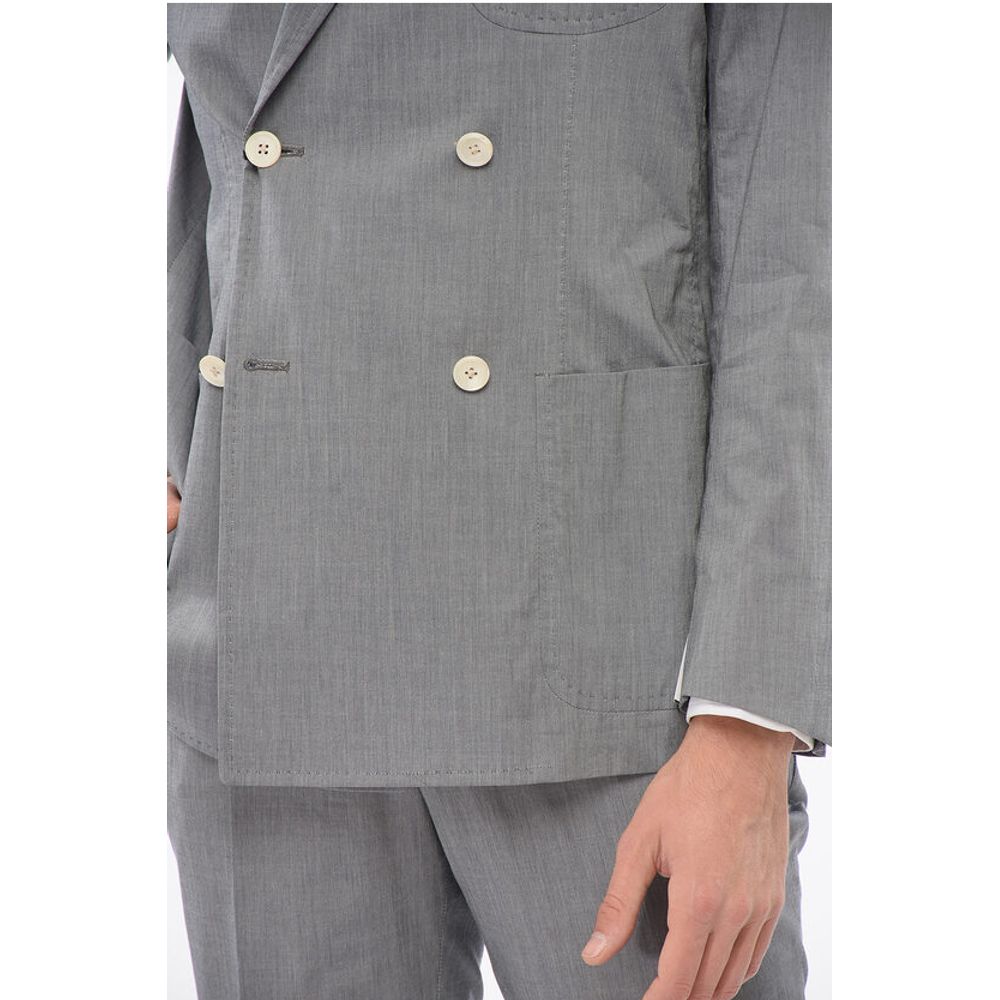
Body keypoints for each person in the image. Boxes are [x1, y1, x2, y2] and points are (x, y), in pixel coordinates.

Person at [166, 4, 830, 998]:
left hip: (604, 674)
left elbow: (792, 252)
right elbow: (216, 141)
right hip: (264, 627)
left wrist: (750, 717)